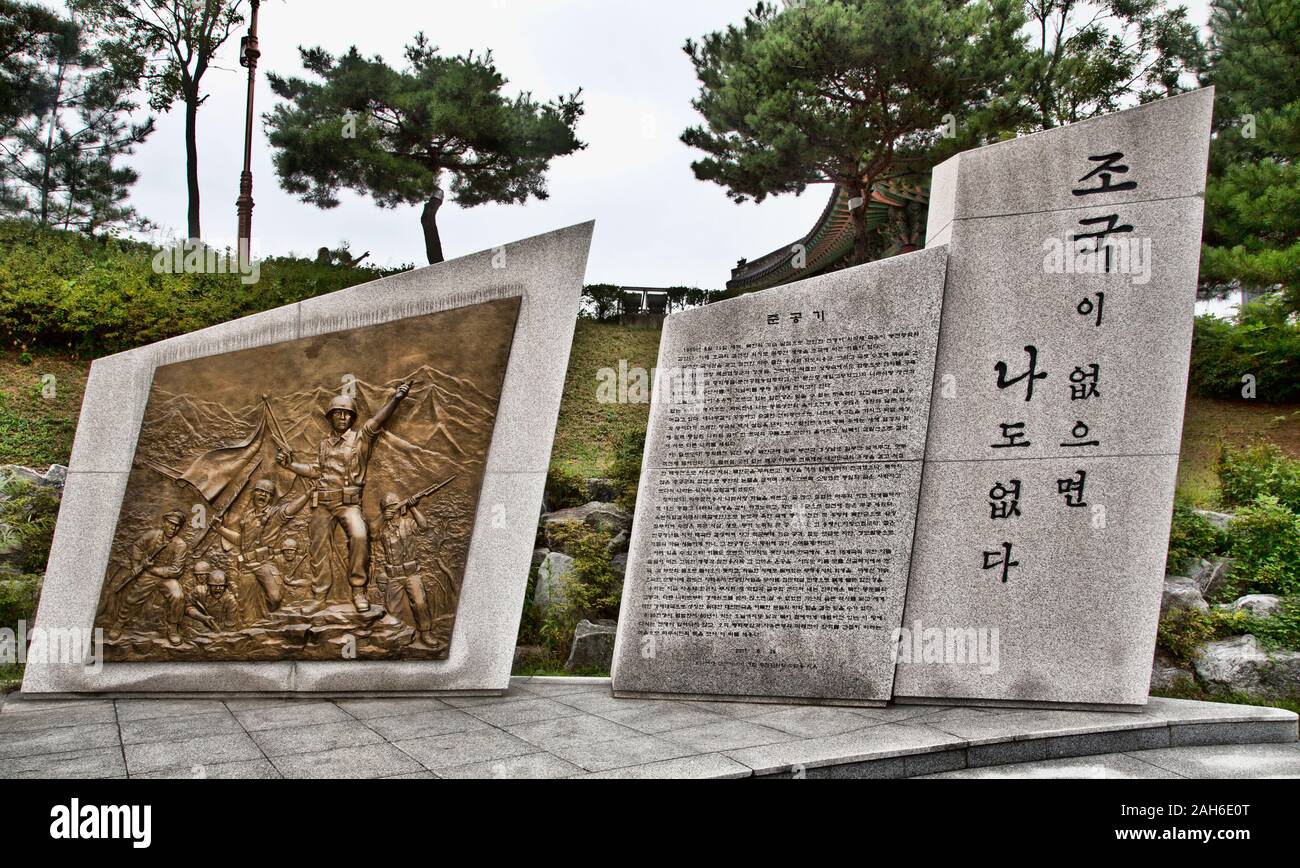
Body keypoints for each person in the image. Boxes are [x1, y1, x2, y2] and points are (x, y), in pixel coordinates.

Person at [278, 384, 410, 612]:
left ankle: (358, 592)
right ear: (330, 417)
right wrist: (291, 465)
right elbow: (315, 470)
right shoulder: (323, 445)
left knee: (360, 537)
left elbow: (376, 422)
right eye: (337, 413)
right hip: (324, 504)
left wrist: (396, 399)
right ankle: (319, 597)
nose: (342, 417)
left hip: (348, 504)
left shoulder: (361, 439)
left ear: (352, 417)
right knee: (318, 547)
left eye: (347, 413)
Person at [213, 478, 309, 619]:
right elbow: (241, 540)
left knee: (276, 597)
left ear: (271, 498)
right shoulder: (248, 516)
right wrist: (220, 529)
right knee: (246, 610)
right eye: (260, 491)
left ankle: (270, 620)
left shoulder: (275, 514)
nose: (263, 495)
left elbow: (290, 509)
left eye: (267, 493)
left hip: (265, 564)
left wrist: (307, 495)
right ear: (253, 494)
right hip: (246, 565)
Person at [108, 510, 189, 646]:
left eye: (176, 526)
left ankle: (173, 628)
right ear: (164, 523)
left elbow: (176, 570)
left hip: (166, 577)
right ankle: (119, 623)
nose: (173, 528)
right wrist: (136, 565)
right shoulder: (152, 535)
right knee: (133, 597)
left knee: (178, 596)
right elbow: (137, 546)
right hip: (148, 575)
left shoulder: (180, 545)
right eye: (170, 524)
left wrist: (151, 569)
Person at [371, 491, 437, 648]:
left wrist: (413, 507)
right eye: (389, 508)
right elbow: (371, 533)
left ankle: (426, 634)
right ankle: (397, 637)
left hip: (411, 573)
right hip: (393, 576)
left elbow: (424, 526)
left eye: (395, 506)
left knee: (420, 603)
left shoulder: (408, 523)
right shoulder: (382, 529)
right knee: (392, 610)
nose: (393, 510)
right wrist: (382, 518)